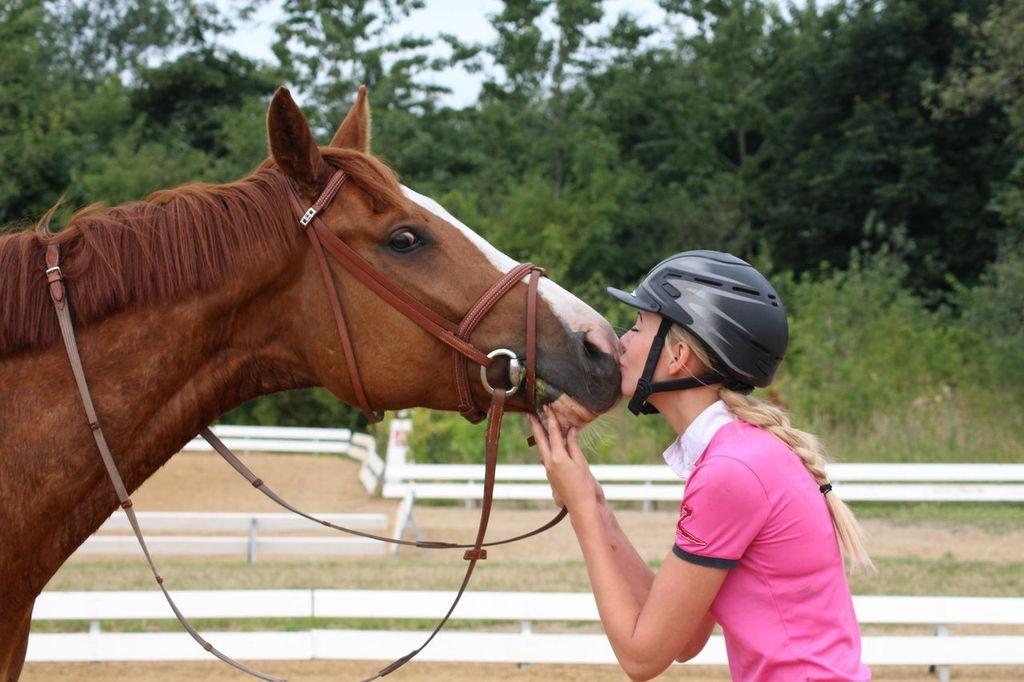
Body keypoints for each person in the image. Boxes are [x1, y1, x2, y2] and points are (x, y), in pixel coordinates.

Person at [528, 250, 873, 681]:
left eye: (637, 328)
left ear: (677, 357)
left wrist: (581, 511)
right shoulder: (740, 455)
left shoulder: (731, 471)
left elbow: (642, 658)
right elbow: (685, 638)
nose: (622, 343)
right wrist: (594, 503)